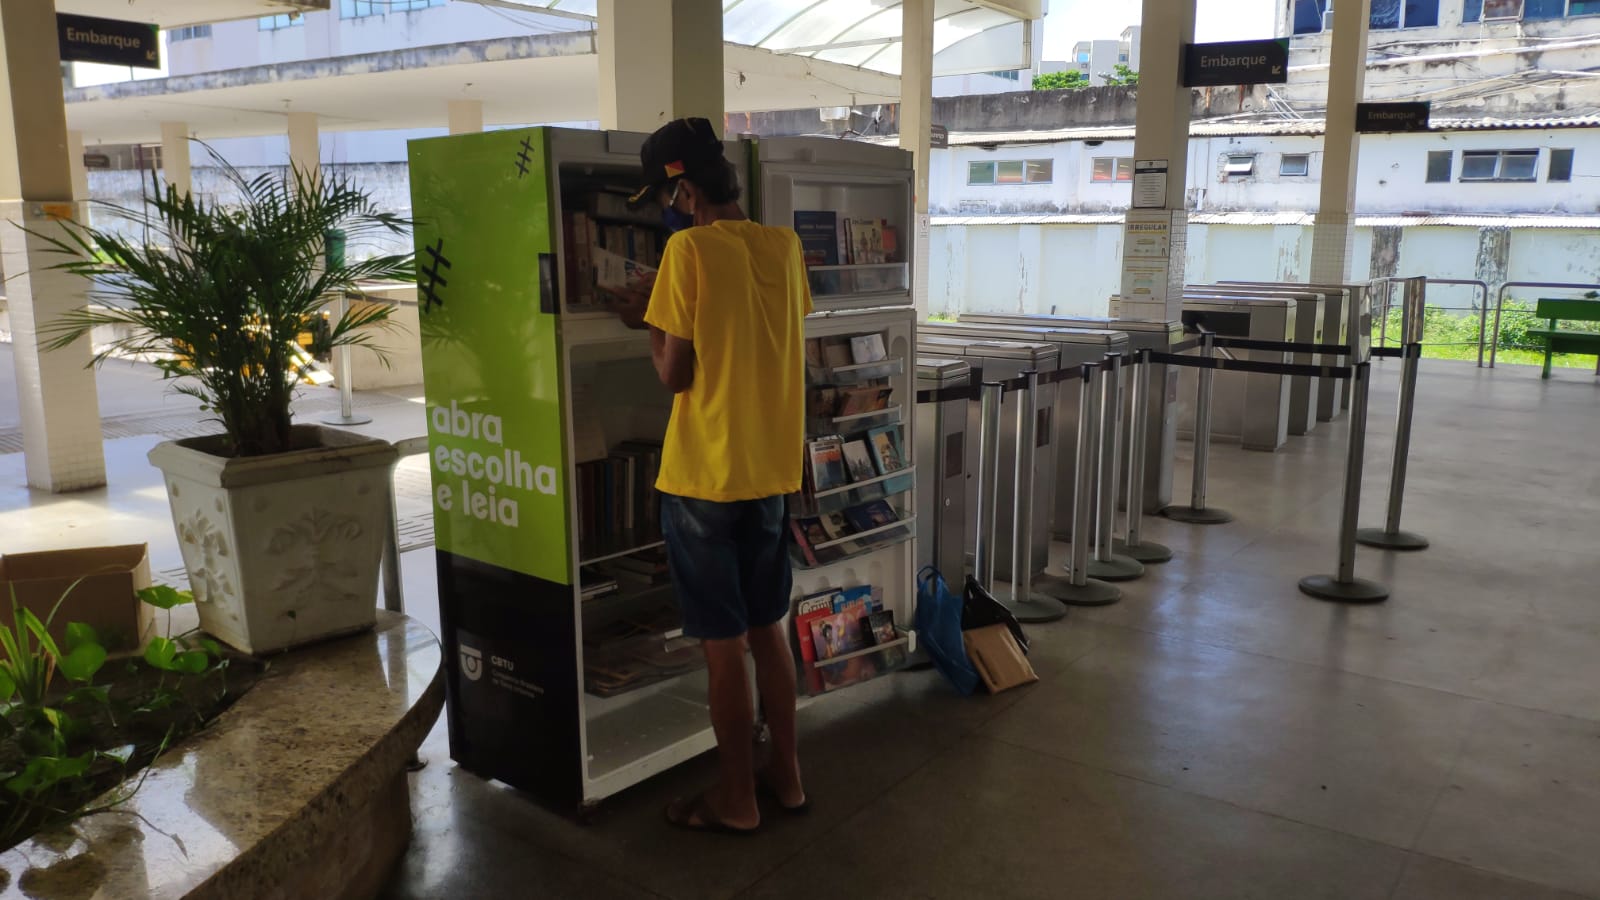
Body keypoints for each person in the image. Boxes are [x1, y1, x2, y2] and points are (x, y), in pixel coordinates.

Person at [607, 117, 811, 835]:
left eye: (667, 198)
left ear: (685, 190)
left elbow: (675, 373)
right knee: (768, 633)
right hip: (770, 474)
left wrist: (646, 320)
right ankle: (786, 776)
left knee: (723, 650)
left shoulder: (686, 251)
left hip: (703, 480)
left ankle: (736, 799)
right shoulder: (784, 246)